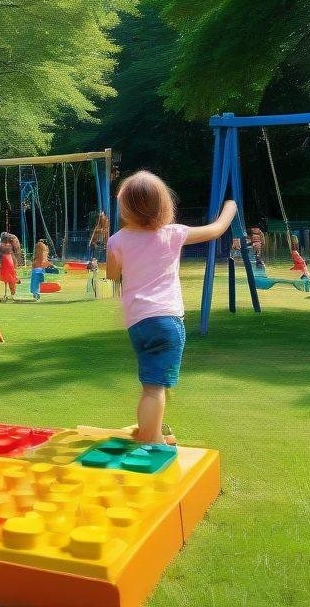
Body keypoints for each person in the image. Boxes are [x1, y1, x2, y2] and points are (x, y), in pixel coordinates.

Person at [106, 170, 237, 445]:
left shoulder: (117, 240)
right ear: (164, 206)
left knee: (151, 385)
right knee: (155, 388)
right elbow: (215, 230)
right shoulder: (172, 234)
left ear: (125, 208)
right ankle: (151, 439)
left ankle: (150, 432)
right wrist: (230, 208)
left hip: (137, 323)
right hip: (166, 320)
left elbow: (111, 274)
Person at [0, 232, 20, 300]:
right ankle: (12, 293)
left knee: (6, 277)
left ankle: (7, 294)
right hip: (8, 259)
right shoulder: (10, 244)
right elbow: (15, 252)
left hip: (5, 260)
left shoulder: (1, 244)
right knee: (10, 276)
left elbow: (1, 254)